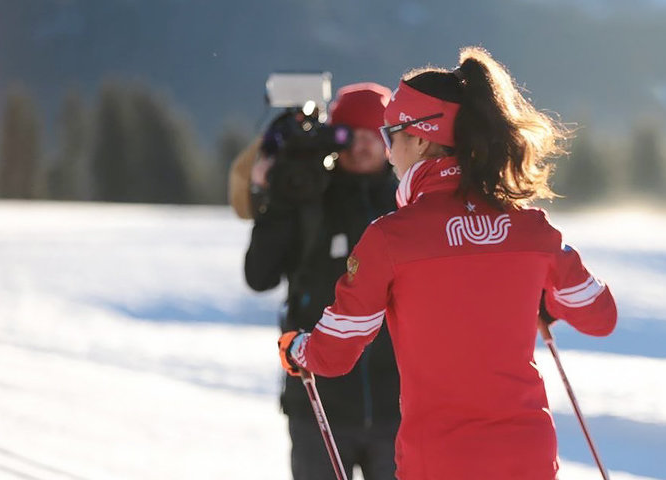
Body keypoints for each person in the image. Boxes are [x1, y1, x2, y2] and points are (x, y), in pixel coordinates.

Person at [277, 47, 617, 479]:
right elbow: (600, 316)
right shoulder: (532, 228)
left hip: (439, 461)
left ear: (419, 137)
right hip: (528, 457)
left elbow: (336, 351)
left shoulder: (390, 237)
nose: (387, 150)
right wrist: (546, 302)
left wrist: (298, 349)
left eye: (389, 135)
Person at [241, 83, 401, 479]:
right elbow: (259, 276)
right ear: (334, 138)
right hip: (318, 403)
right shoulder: (307, 199)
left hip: (400, 404)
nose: (362, 146)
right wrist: (277, 200)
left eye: (374, 134)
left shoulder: (409, 206)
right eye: (351, 135)